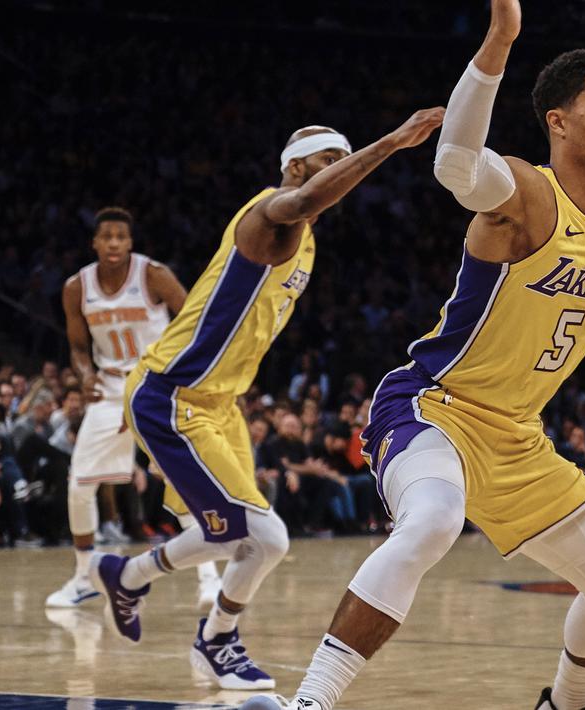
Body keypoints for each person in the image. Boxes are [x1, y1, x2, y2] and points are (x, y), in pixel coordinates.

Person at [250, 4, 585, 709]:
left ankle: (569, 704)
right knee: (433, 520)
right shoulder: (525, 192)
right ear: (558, 121)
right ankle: (308, 703)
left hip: (517, 436)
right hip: (434, 405)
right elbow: (456, 162)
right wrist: (500, 41)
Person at [88, 107, 444, 691]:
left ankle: (127, 576)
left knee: (235, 533)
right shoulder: (269, 213)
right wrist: (393, 142)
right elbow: (300, 203)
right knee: (264, 536)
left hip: (218, 405)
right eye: (332, 161)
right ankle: (214, 639)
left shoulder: (306, 243)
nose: (342, 171)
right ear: (296, 165)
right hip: (172, 394)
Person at [46, 207, 224, 612]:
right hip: (109, 389)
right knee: (79, 485)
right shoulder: (77, 287)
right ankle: (83, 577)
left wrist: (186, 373)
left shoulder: (153, 275)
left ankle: (209, 579)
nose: (113, 244)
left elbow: (194, 321)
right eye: (106, 236)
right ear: (94, 242)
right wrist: (84, 373)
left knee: (181, 481)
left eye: (120, 237)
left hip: (155, 385)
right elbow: (77, 346)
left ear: (130, 242)